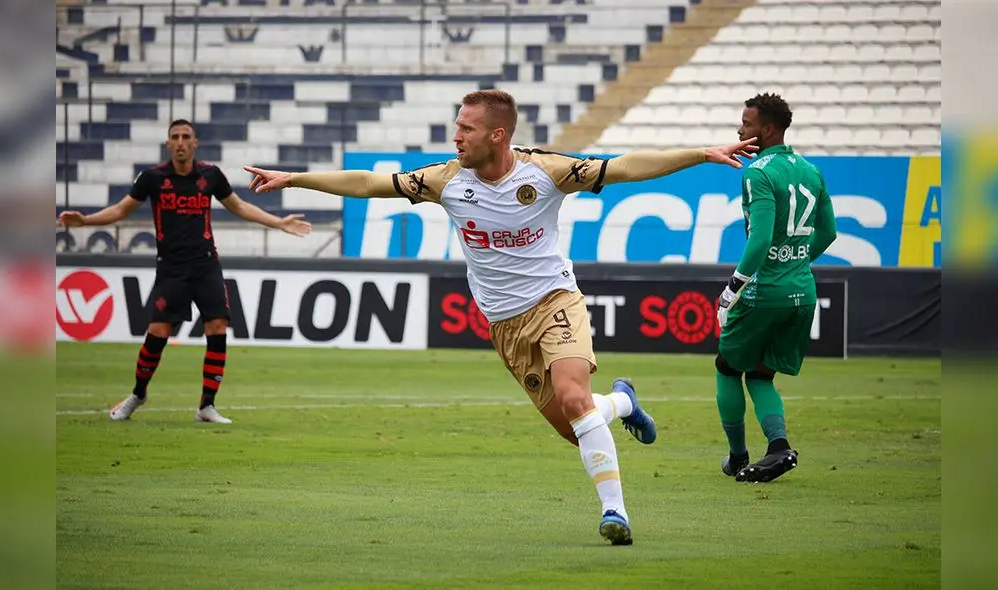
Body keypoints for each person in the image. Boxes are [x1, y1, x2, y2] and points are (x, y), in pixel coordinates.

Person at [244, 90, 757, 545]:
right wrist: (296, 178)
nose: (456, 135)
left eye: (466, 127)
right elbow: (367, 183)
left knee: (575, 398)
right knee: (575, 427)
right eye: (456, 125)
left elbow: (623, 166)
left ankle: (614, 511)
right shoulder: (444, 179)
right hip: (505, 326)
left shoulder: (545, 171)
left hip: (555, 301)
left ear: (497, 133)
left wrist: (700, 154)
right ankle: (621, 403)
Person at [58, 119, 312, 424]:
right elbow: (120, 210)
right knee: (159, 332)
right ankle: (138, 394)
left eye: (186, 136)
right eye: (175, 137)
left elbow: (240, 207)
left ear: (195, 143)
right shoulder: (152, 178)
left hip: (206, 265)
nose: (180, 141)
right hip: (171, 269)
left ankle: (207, 406)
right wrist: (85, 221)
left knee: (217, 327)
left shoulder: (210, 176)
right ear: (168, 144)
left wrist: (279, 222)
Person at [714, 93, 838, 483]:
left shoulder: (757, 173)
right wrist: (796, 262)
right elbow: (829, 232)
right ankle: (778, 447)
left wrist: (733, 288)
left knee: (727, 369)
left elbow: (761, 238)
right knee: (762, 375)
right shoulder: (811, 171)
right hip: (802, 292)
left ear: (767, 130)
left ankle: (737, 457)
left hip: (763, 293)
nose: (740, 129)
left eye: (746, 124)